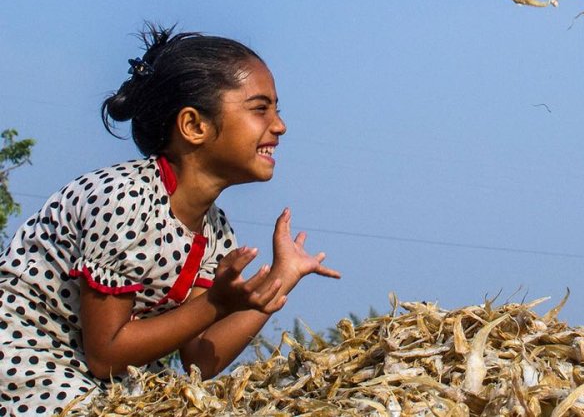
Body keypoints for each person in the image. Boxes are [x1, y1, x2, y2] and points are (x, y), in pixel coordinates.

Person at [0, 26, 340, 414]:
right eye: (260, 108)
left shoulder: (214, 231)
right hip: (31, 369)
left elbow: (200, 359)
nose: (279, 126)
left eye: (277, 109)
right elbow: (106, 354)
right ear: (194, 126)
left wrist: (279, 280)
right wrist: (214, 303)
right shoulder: (123, 200)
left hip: (98, 386)